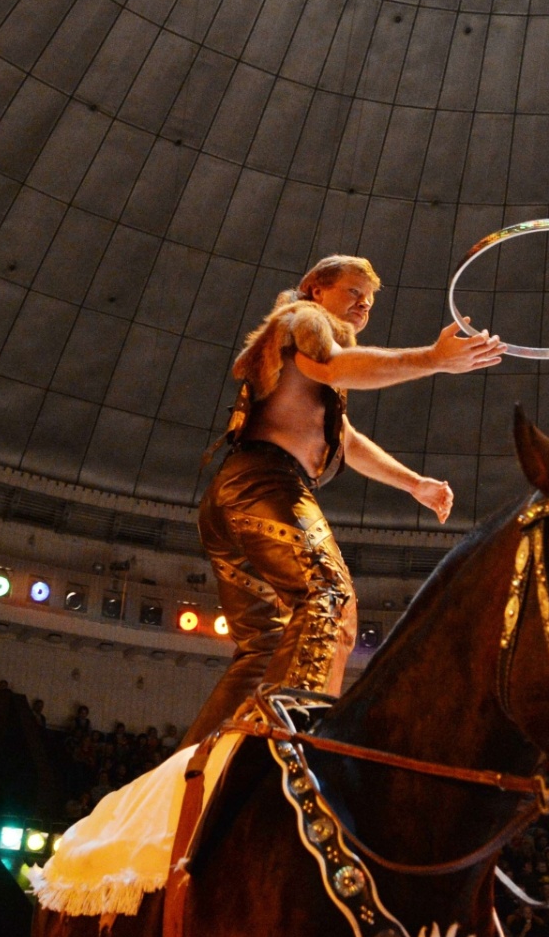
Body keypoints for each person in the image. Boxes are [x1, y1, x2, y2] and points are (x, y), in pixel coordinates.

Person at [181, 255, 504, 743]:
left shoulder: (306, 359)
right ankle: (292, 747)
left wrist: (414, 483)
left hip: (233, 497)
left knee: (265, 649)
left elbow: (346, 441)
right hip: (264, 485)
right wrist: (433, 359)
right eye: (354, 292)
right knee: (328, 597)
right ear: (315, 287)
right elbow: (334, 366)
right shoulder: (303, 321)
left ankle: (191, 771)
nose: (364, 305)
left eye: (370, 301)